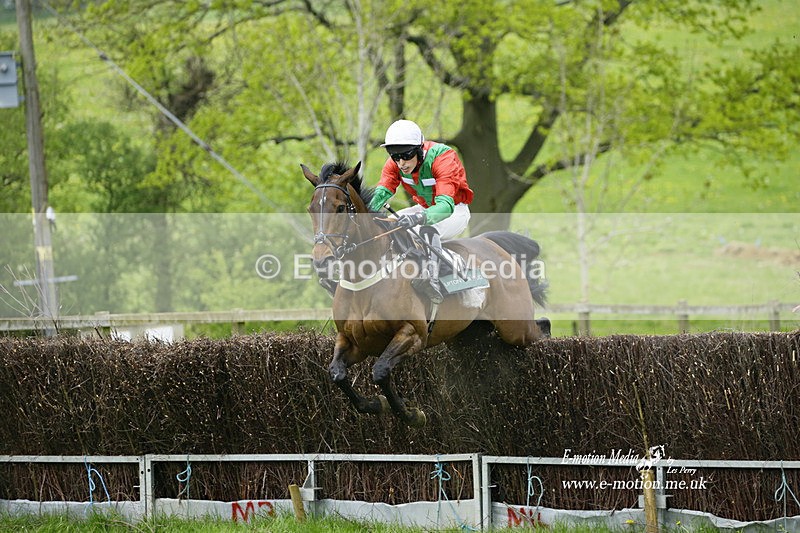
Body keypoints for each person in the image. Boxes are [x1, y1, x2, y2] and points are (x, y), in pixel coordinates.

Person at [368, 119, 474, 303]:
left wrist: (420, 217)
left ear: (419, 149)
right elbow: (382, 192)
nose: (401, 163)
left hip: (454, 211)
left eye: (406, 156)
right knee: (387, 224)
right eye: (395, 157)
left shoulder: (443, 158)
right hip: (424, 209)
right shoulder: (395, 163)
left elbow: (445, 206)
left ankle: (431, 280)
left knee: (425, 229)